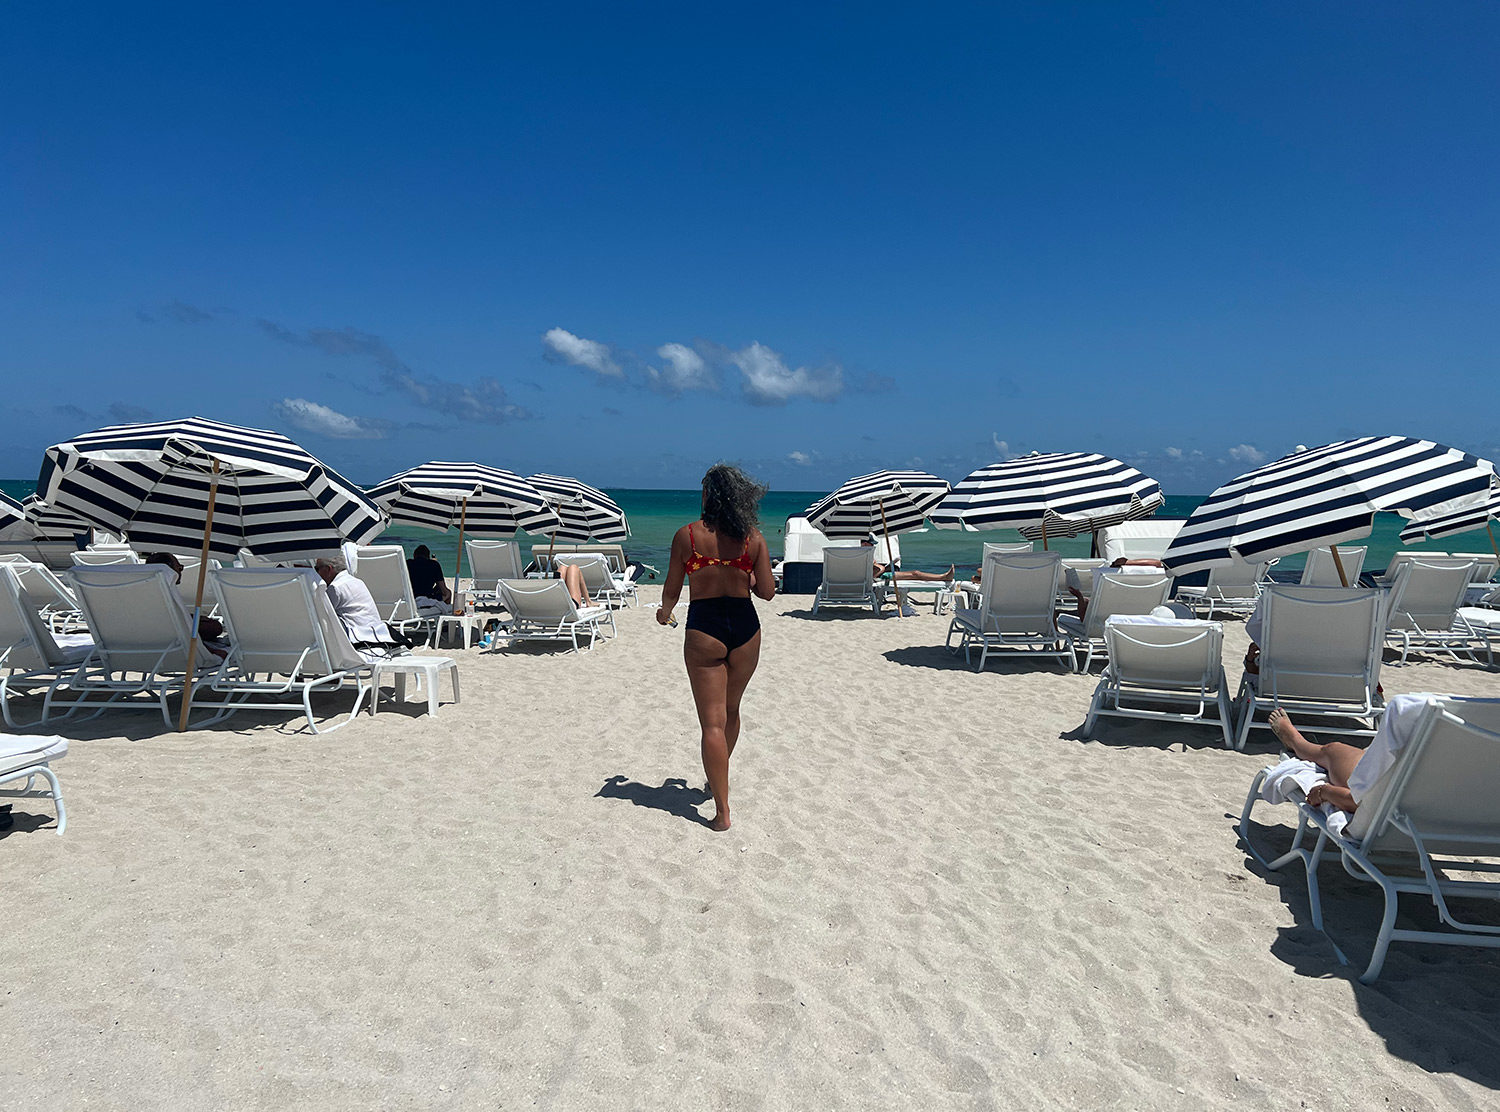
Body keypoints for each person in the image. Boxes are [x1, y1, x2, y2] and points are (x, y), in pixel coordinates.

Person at [657, 463, 775, 832]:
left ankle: (722, 812)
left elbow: (673, 590)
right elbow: (768, 593)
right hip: (744, 627)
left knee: (711, 722)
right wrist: (751, 576)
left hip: (704, 627)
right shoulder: (752, 538)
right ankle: (716, 777)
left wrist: (664, 612)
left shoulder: (686, 536)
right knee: (731, 709)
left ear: (709, 496)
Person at [142, 552, 229, 658]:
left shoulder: (142, 596)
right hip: (177, 651)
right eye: (179, 566)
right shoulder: (167, 595)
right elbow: (184, 632)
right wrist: (211, 652)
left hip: (144, 650)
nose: (181, 569)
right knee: (214, 627)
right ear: (169, 570)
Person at [314, 553, 403, 653]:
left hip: (358, 636)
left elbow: (322, 615)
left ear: (329, 569)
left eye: (317, 569)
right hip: (376, 631)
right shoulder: (357, 581)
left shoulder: (335, 588)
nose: (316, 573)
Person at [406, 544, 452, 610]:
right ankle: (445, 613)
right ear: (428, 556)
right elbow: (443, 589)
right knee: (448, 593)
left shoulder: (407, 563)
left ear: (414, 555)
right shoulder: (434, 565)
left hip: (410, 598)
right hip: (428, 599)